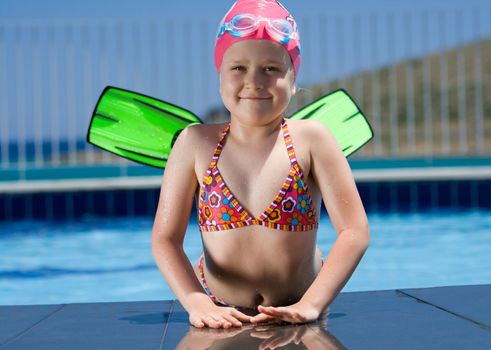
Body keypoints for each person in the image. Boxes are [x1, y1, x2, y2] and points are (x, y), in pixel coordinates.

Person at [152, 0, 369, 329]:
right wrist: (195, 300)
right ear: (219, 77)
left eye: (271, 69)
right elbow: (165, 238)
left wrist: (312, 303)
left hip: (302, 296)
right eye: (238, 68)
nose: (254, 80)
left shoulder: (312, 139)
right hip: (218, 300)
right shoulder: (194, 143)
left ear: (293, 82)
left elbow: (354, 232)